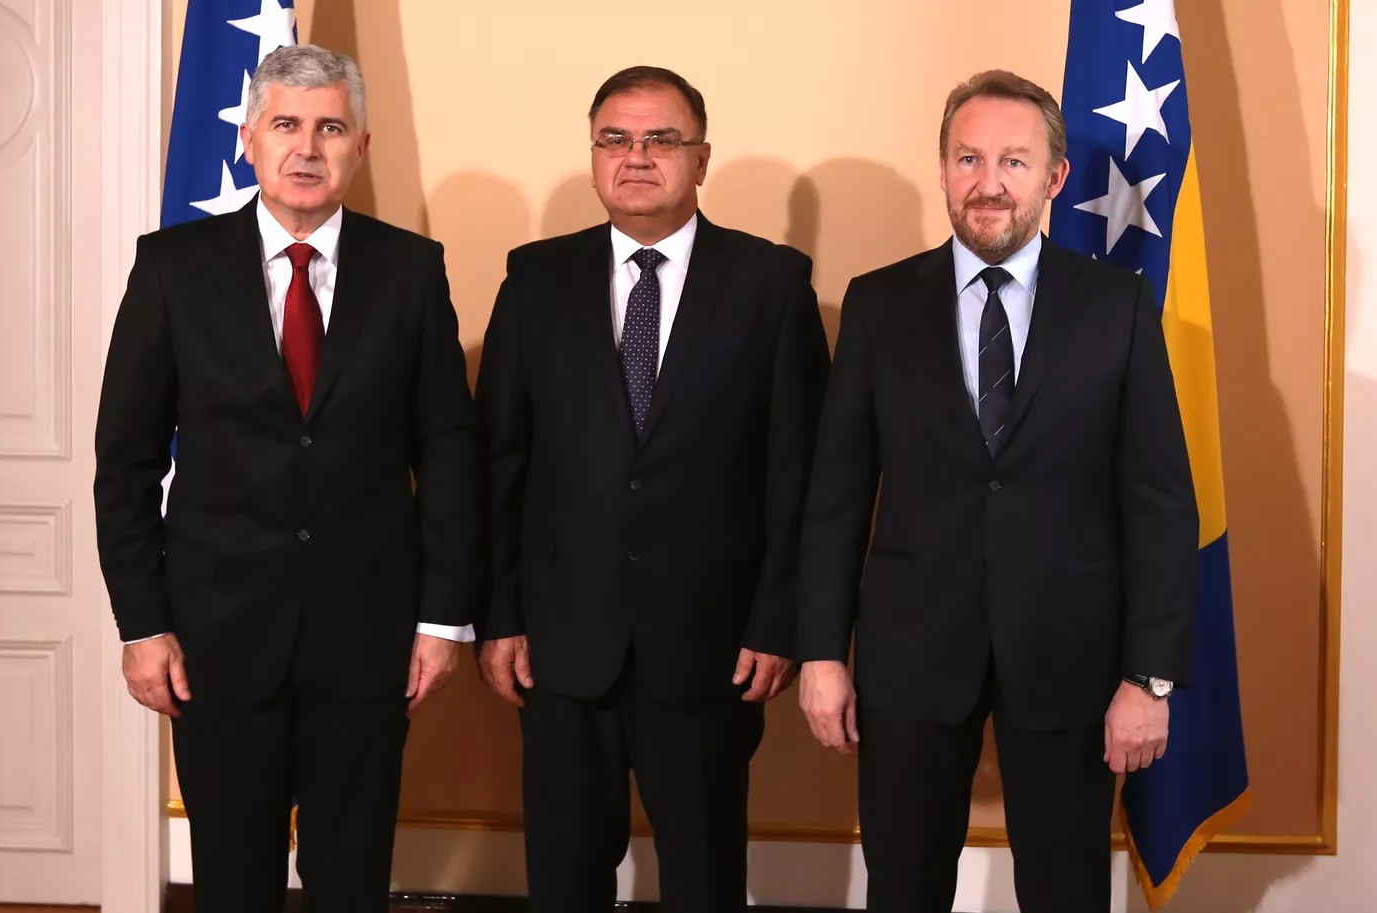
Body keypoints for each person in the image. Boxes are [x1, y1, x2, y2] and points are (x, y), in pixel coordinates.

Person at [797, 70, 1198, 913]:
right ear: (942, 169)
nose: (988, 183)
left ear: (1053, 177)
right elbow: (835, 498)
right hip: (909, 659)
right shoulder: (876, 305)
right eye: (968, 158)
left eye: (1013, 161)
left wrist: (1149, 676)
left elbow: (1158, 503)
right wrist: (822, 653)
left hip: (1071, 659)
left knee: (1065, 890)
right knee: (903, 887)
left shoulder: (1117, 306)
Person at [94, 45, 480, 913]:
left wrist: (441, 616)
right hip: (216, 638)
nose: (307, 147)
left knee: (352, 876)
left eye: (330, 127)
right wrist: (143, 622)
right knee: (234, 878)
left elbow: (447, 451)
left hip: (371, 636)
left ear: (360, 147)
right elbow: (125, 461)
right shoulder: (172, 267)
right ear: (248, 140)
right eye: (286, 125)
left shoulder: (411, 270)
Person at [474, 66, 830, 912]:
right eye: (615, 139)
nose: (635, 157)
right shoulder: (534, 279)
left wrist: (777, 621)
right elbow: (498, 464)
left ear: (700, 158)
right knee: (564, 878)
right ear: (594, 154)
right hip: (560, 647)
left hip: (713, 648)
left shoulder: (772, 285)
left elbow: (801, 477)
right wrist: (499, 614)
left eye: (660, 140)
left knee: (704, 878)